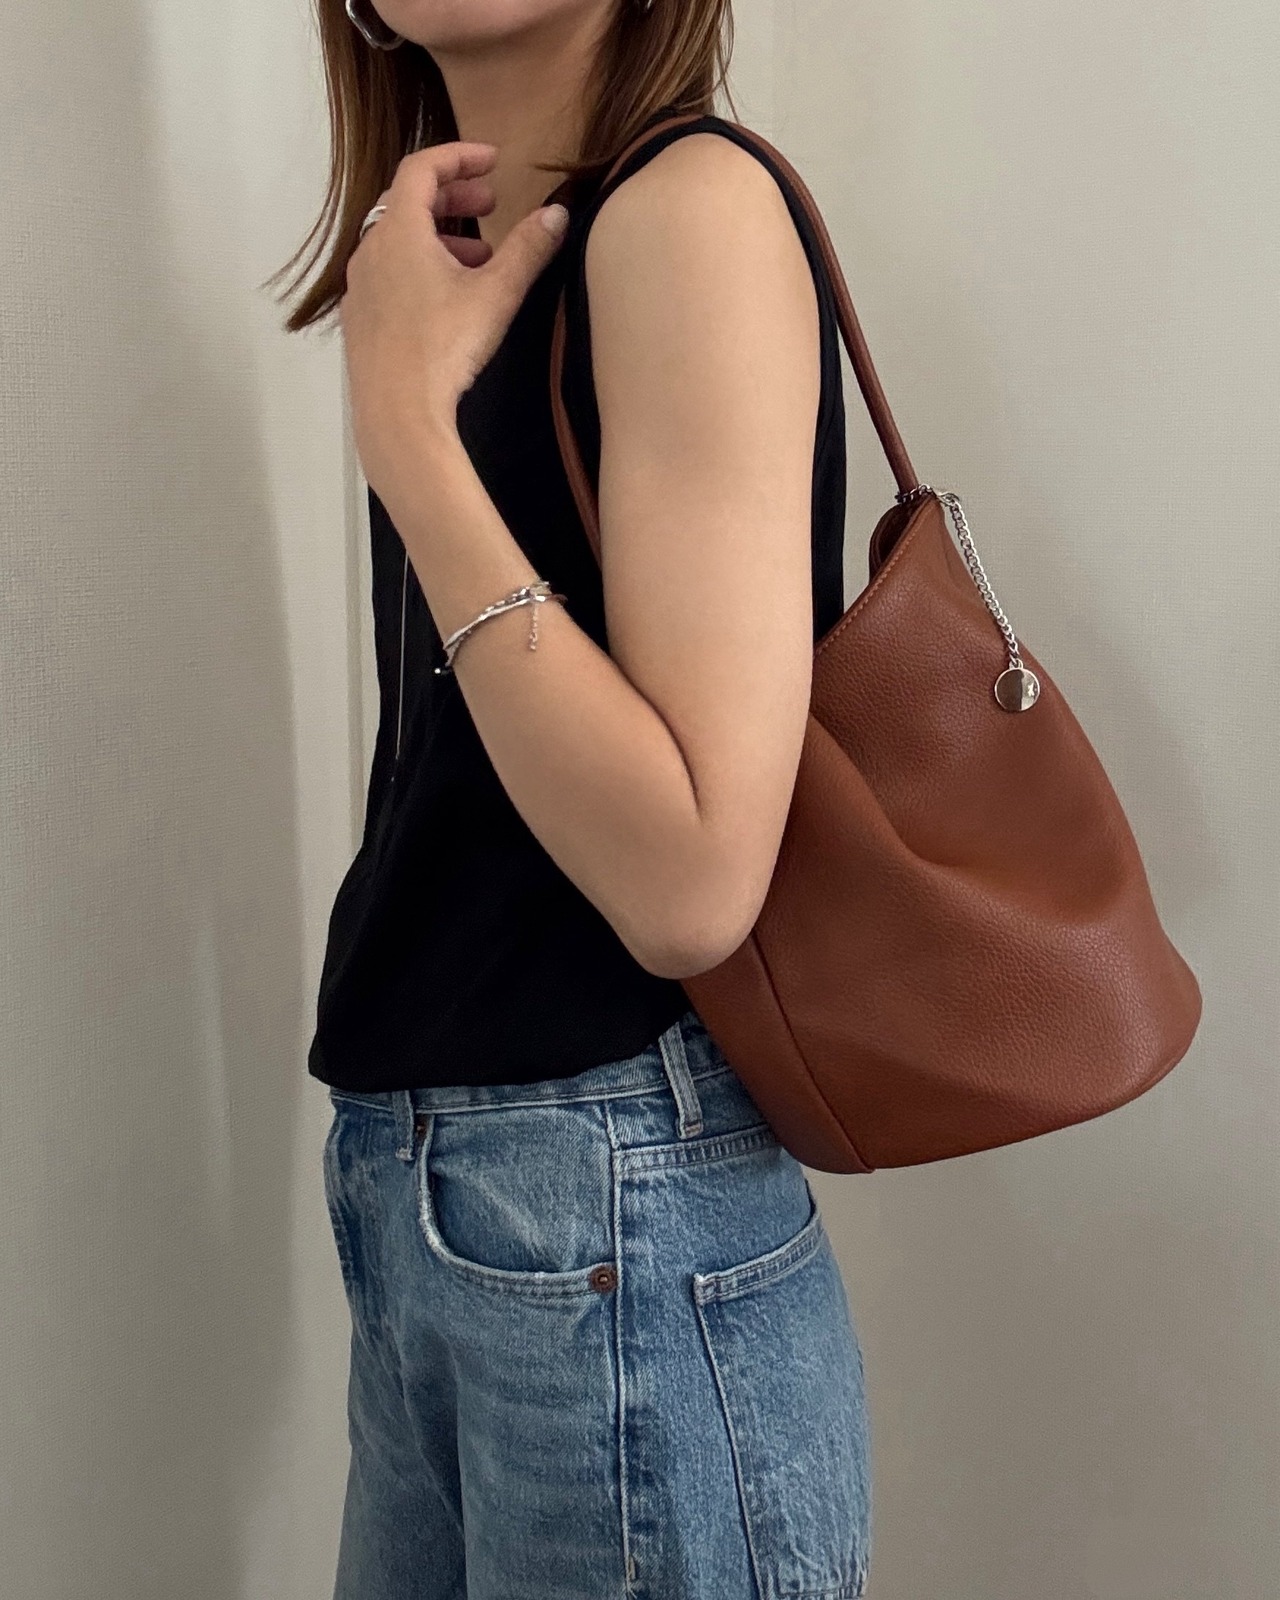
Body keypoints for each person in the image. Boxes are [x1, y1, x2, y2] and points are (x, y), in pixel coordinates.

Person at [272, 1, 871, 1595]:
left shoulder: (689, 211)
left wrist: (411, 434)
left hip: (610, 1196)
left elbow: (690, 883)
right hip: (443, 1185)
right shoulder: (446, 258)